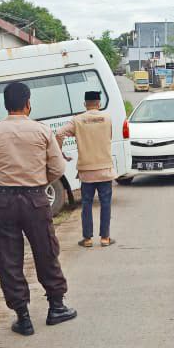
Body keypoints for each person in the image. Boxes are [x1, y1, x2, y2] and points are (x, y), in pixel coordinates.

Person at [0, 82, 77, 336]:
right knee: (45, 250)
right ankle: (56, 307)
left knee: (8, 257)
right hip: (35, 199)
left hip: (2, 201)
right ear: (28, 103)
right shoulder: (41, 130)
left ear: (6, 105)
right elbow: (58, 168)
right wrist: (38, 180)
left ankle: (23, 316)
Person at [56, 91, 115, 248]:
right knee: (106, 203)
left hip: (86, 170)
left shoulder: (77, 120)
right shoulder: (107, 118)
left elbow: (59, 134)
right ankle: (105, 238)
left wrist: (60, 152)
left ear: (85, 104)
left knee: (87, 204)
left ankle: (87, 239)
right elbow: (109, 138)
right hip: (105, 169)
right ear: (99, 104)